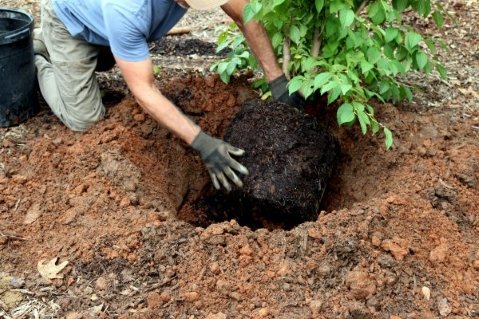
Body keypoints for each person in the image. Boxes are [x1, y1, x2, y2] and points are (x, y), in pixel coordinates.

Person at [33, 0, 302, 192]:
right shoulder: (126, 10)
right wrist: (202, 142)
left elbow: (247, 15)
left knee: (113, 55)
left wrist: (277, 79)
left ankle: (85, 56)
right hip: (70, 24)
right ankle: (36, 57)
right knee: (85, 120)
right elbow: (144, 91)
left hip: (110, 26)